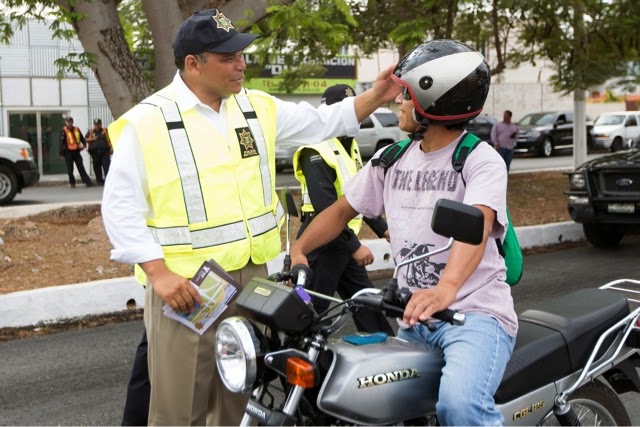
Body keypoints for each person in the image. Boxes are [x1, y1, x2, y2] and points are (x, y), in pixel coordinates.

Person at [101, 8, 400, 426]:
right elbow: (119, 205)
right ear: (193, 64)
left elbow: (321, 122)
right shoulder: (147, 121)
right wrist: (158, 273)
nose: (241, 64)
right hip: (189, 289)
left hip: (251, 280)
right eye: (227, 58)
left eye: (241, 54)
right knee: (179, 407)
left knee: (238, 398)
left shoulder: (255, 107)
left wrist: (377, 96)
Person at [290, 39, 518, 426]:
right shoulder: (390, 158)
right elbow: (341, 210)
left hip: (476, 316)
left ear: (436, 101)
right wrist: (299, 249)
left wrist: (446, 289)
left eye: (406, 95)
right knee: (366, 401)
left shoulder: (480, 161)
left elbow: (474, 228)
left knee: (460, 408)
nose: (397, 102)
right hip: (414, 317)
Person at [292, 83, 394, 336]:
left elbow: (358, 198)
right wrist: (355, 247)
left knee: (366, 302)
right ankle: (298, 365)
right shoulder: (317, 149)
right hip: (321, 243)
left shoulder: (350, 145)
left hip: (342, 241)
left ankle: (386, 355)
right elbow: (327, 208)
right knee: (311, 311)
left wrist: (384, 229)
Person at [59, 117, 93, 188]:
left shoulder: (76, 129)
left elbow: (82, 138)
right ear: (66, 123)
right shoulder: (63, 131)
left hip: (77, 151)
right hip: (68, 152)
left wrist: (84, 145)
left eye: (70, 121)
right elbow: (61, 143)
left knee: (81, 167)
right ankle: (72, 183)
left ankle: (87, 182)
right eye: (67, 122)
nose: (69, 123)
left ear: (72, 122)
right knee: (70, 169)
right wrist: (61, 153)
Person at [85, 118, 112, 185]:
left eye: (98, 124)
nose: (97, 126)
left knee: (106, 166)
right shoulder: (91, 132)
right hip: (95, 153)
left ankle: (108, 180)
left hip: (105, 152)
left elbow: (111, 139)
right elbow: (85, 139)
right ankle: (99, 181)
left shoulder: (105, 131)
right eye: (95, 124)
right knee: (96, 167)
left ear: (101, 124)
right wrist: (92, 139)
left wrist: (111, 148)